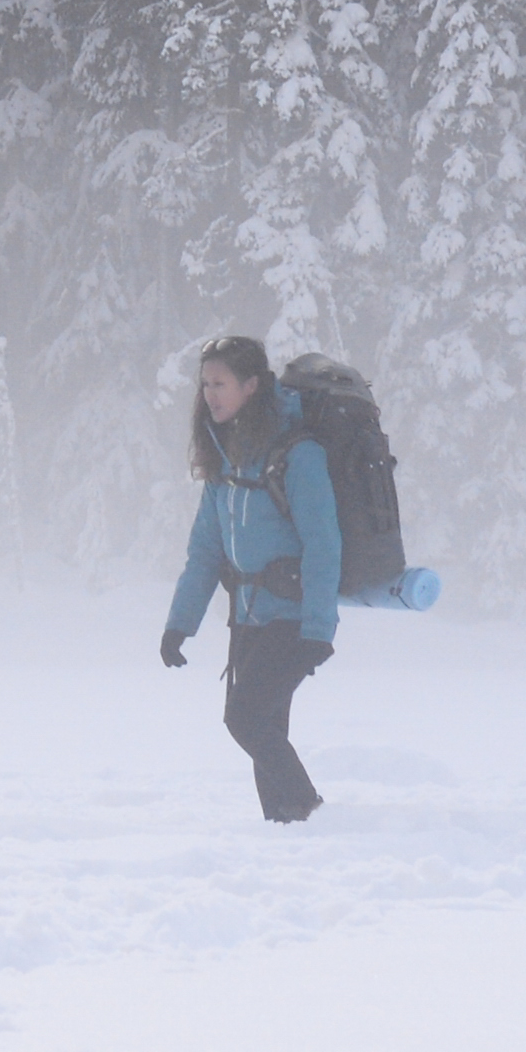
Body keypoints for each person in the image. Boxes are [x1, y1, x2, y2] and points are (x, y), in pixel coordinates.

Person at [156, 333, 341, 823]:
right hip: (249, 618)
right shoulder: (225, 459)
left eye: (221, 383)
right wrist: (180, 625)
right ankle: (287, 833)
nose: (210, 394)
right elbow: (204, 552)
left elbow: (324, 545)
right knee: (266, 732)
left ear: (252, 386)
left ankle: (309, 810)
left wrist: (319, 631)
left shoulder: (298, 456)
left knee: (245, 718)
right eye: (205, 385)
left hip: (293, 619)